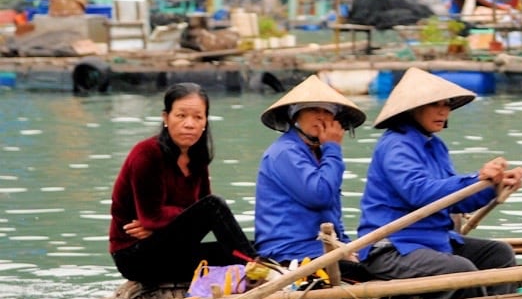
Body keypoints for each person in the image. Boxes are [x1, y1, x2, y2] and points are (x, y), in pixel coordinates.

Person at [355, 68, 522, 297]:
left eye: (446, 105)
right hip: (393, 248)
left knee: (499, 253)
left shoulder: (436, 146)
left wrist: (493, 185)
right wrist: (477, 177)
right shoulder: (397, 146)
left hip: (436, 241)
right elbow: (419, 192)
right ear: (413, 108)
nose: (443, 111)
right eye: (435, 105)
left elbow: (455, 200)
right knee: (459, 270)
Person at [109, 82, 256, 284]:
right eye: (181, 115)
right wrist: (180, 218)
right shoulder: (146, 154)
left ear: (205, 121)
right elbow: (154, 217)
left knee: (256, 246)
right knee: (214, 206)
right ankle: (259, 270)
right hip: (136, 257)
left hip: (173, 249)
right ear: (165, 118)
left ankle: (259, 265)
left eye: (198, 117)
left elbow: (198, 216)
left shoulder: (197, 157)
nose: (190, 124)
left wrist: (165, 225)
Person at [252, 75, 369, 277]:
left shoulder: (319, 153)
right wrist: (333, 148)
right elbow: (319, 195)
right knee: (365, 272)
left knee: (368, 260)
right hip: (290, 252)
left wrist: (348, 247)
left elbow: (332, 213)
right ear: (296, 115)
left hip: (319, 249)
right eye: (314, 110)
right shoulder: (285, 152)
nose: (321, 117)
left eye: (327, 112)